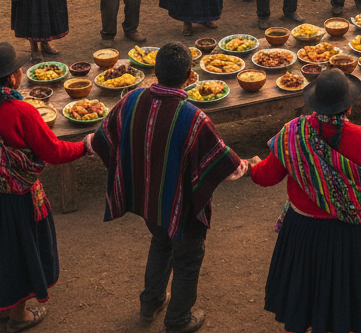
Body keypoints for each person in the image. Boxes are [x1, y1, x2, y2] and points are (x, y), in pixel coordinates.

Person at [92, 42, 251, 333]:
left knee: (161, 242)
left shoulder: (131, 100)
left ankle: (150, 302)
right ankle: (178, 319)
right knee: (188, 258)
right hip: (182, 208)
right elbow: (223, 163)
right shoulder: (193, 117)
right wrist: (248, 165)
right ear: (190, 75)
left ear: (155, 71)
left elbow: (103, 135)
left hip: (149, 202)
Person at [0, 42, 90, 331]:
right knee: (17, 254)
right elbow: (54, 153)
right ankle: (18, 316)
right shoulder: (21, 110)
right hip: (12, 198)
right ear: (12, 78)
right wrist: (85, 147)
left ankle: (2, 307)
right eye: (18, 71)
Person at [251, 68, 361, 333]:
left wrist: (253, 166)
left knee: (300, 296)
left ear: (313, 103)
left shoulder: (293, 134)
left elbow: (266, 176)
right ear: (348, 106)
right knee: (339, 298)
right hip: (346, 234)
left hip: (301, 230)